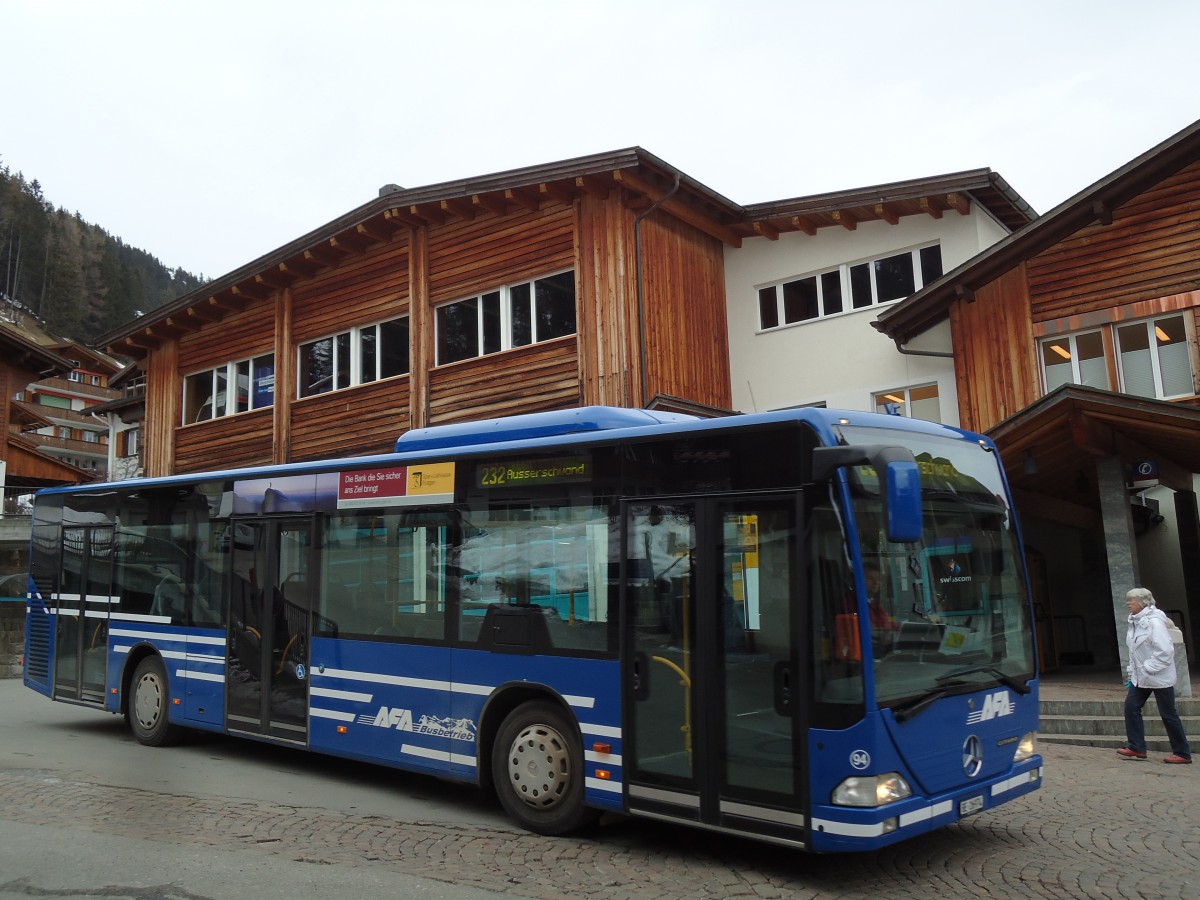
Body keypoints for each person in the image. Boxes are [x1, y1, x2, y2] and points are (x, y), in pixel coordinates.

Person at [1117, 588, 1192, 764]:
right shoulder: (1135, 621)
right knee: (1131, 707)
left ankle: (1182, 753)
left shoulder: (1154, 622)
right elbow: (1135, 651)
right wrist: (1133, 672)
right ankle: (1136, 746)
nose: (1128, 603)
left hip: (1159, 677)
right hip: (1142, 677)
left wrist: (1148, 667)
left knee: (1168, 714)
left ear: (1142, 603)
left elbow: (1165, 651)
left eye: (1131, 600)